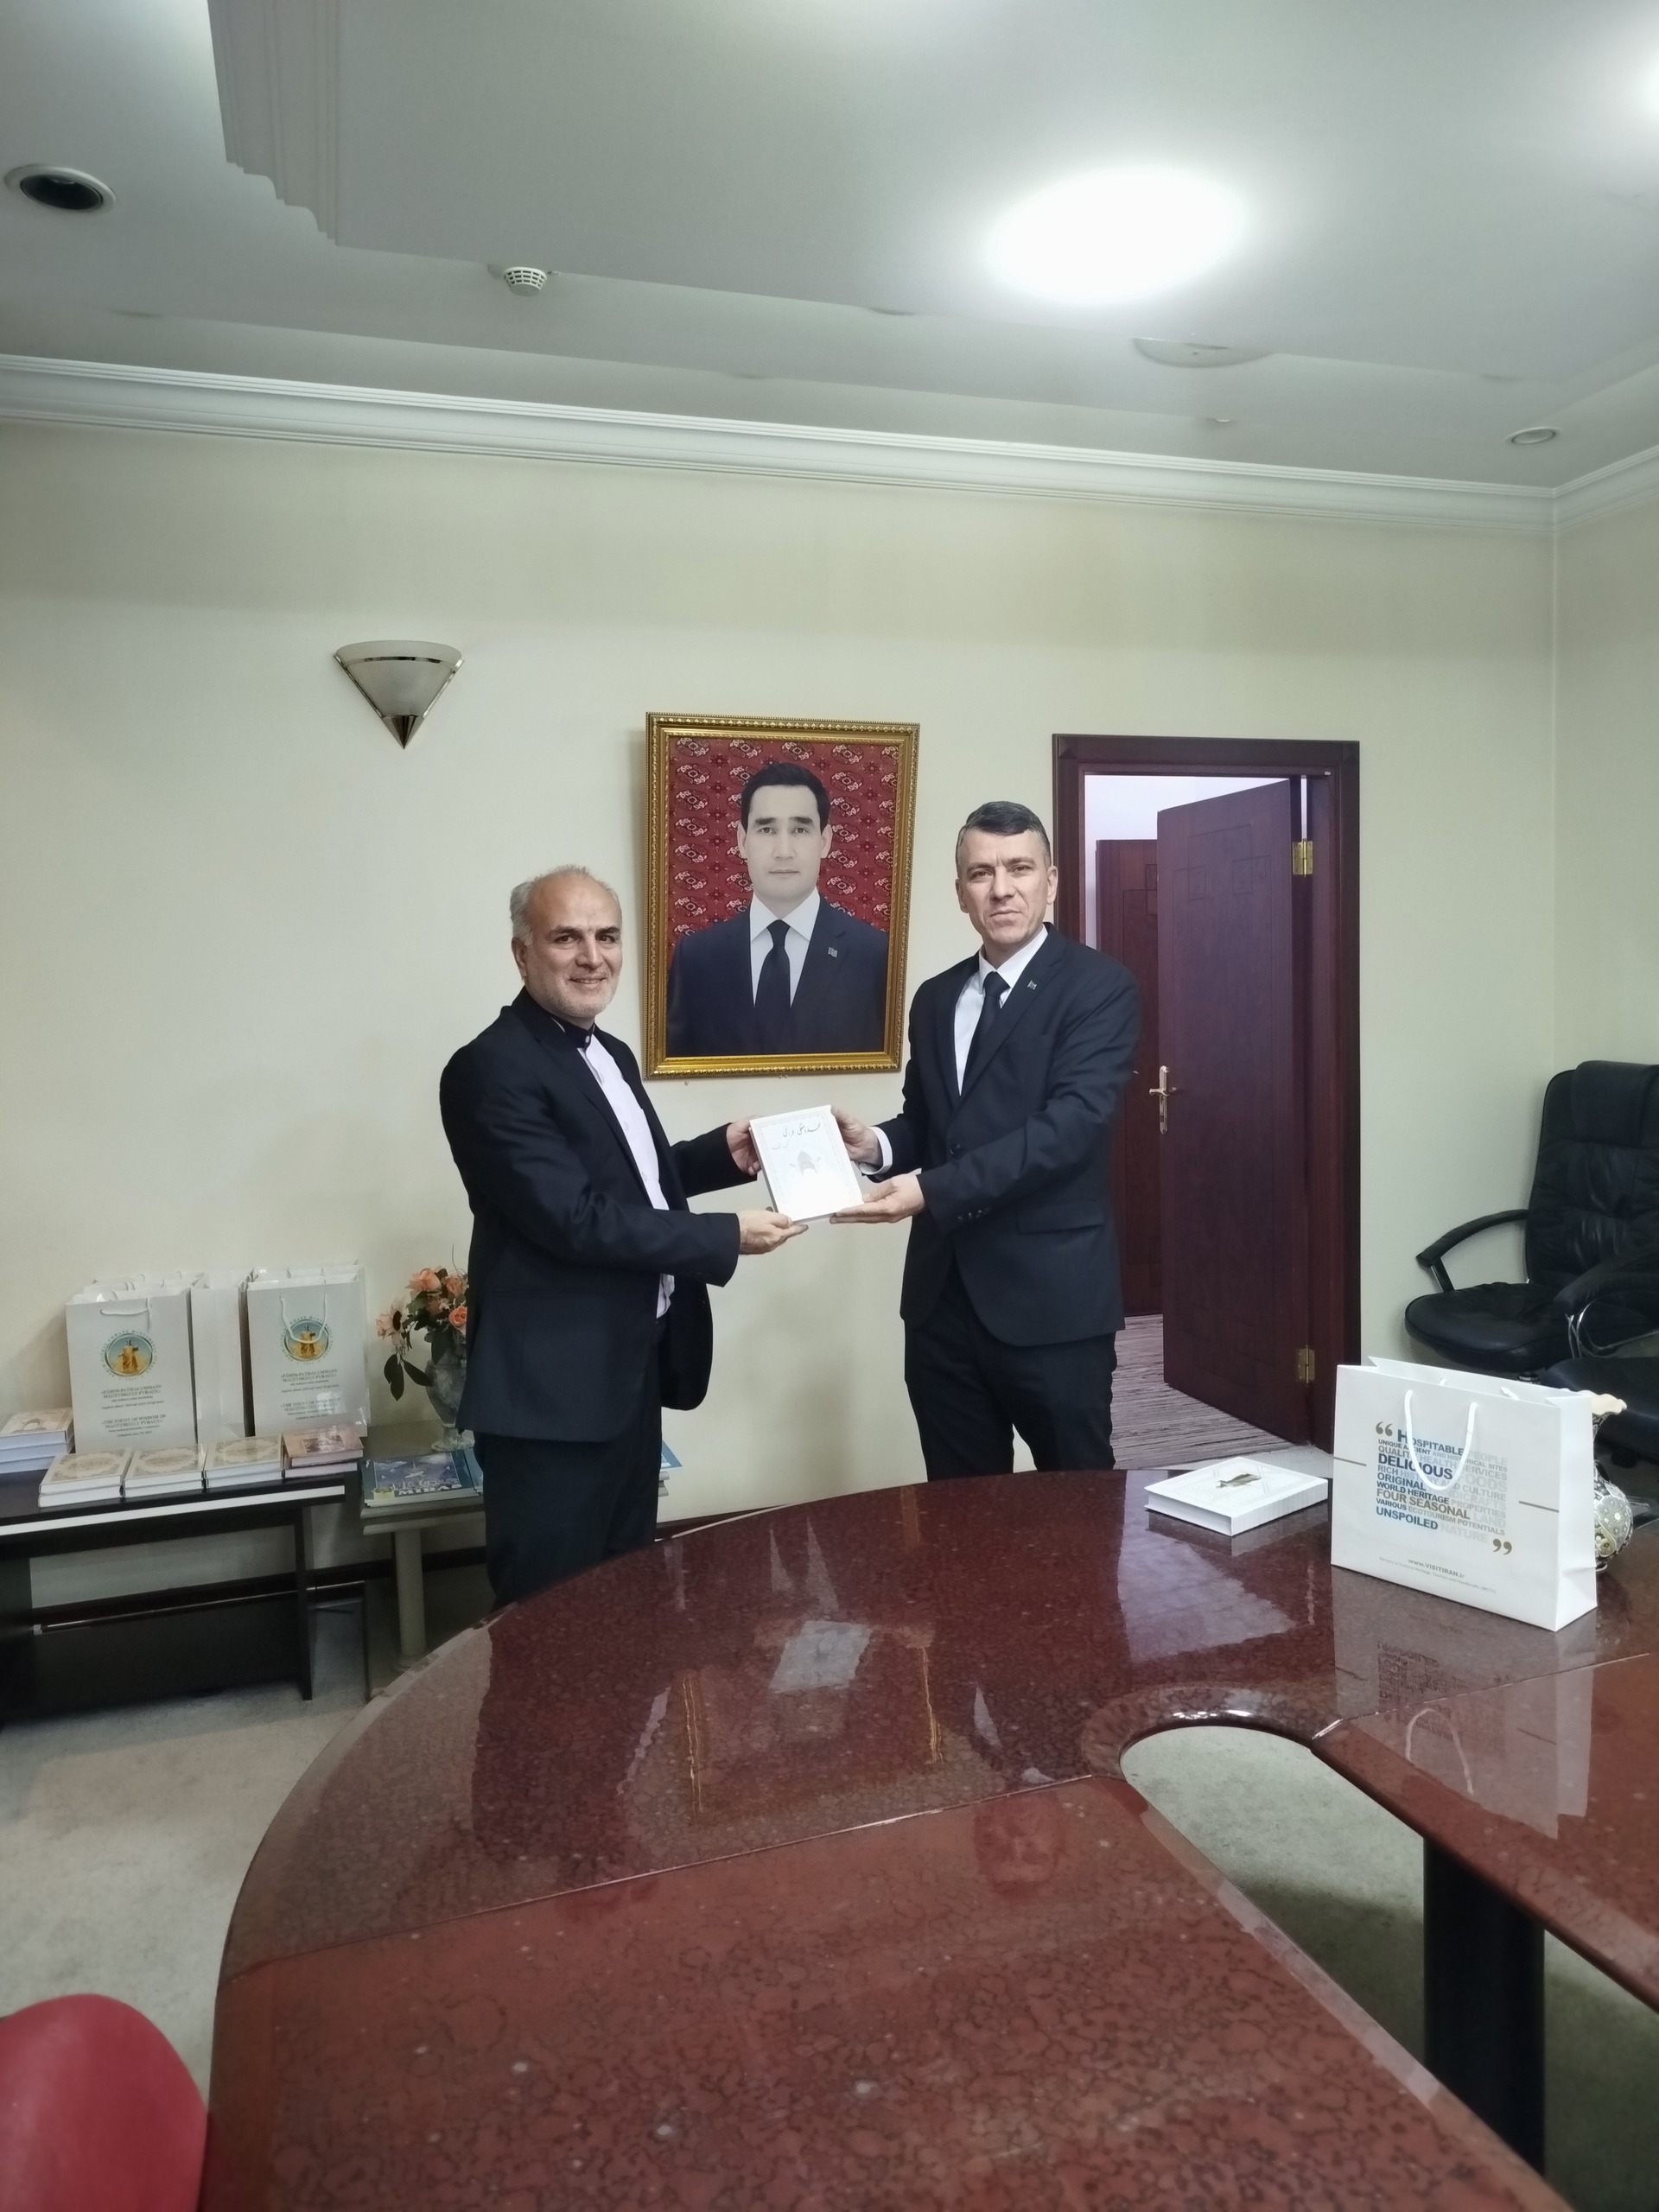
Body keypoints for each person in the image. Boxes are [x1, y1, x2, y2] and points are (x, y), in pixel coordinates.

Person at [440, 866, 803, 1604]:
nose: (592, 957)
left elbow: (627, 1182)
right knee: (548, 1619)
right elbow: (573, 1218)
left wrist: (717, 1156)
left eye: (607, 937)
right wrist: (723, 1236)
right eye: (566, 938)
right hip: (549, 1401)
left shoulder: (609, 1053)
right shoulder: (488, 1069)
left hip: (626, 1375)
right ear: (521, 953)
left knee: (624, 1601)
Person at [831, 800, 1140, 1478]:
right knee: (959, 1510)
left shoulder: (1099, 988)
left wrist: (929, 1190)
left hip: (1051, 1304)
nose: (1001, 889)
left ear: (1050, 881)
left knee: (1076, 1509)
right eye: (981, 873)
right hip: (941, 1304)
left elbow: (1069, 1129)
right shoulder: (935, 999)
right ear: (960, 892)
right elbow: (930, 1124)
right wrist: (874, 1145)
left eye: (1019, 869)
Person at [664, 760, 889, 1057]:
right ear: (742, 841)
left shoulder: (876, 956)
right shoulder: (696, 957)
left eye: (800, 829)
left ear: (825, 841)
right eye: (767, 829)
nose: (783, 851)